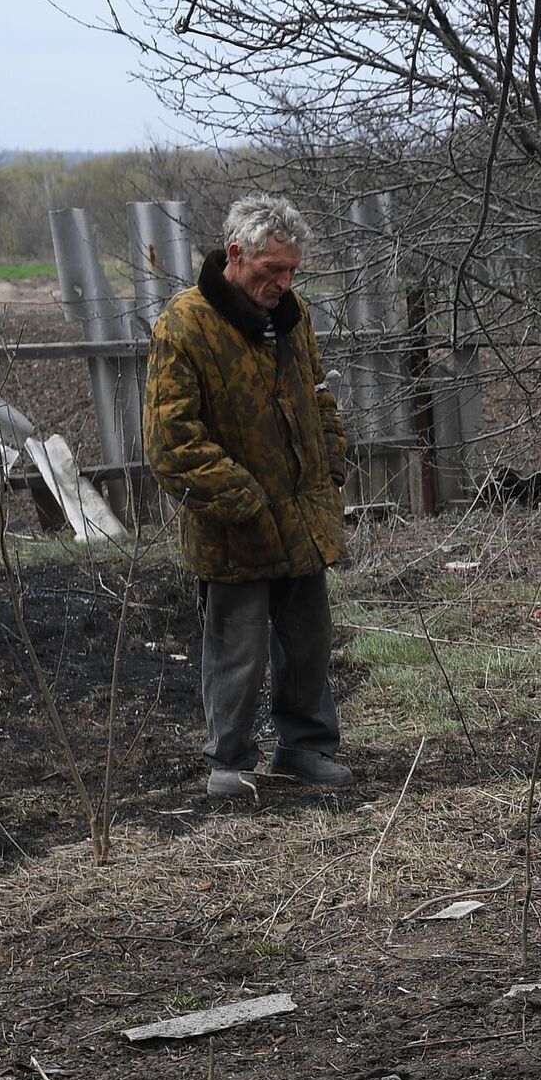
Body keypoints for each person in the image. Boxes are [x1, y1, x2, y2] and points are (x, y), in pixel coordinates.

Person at [146, 194, 354, 799]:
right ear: (236, 255)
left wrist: (329, 462)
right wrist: (244, 502)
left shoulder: (293, 315)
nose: (284, 283)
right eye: (272, 271)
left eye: (292, 271)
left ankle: (306, 749)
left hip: (303, 514)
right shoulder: (185, 324)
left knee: (309, 643)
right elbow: (170, 442)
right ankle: (230, 762)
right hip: (233, 526)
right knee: (237, 648)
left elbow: (316, 394)